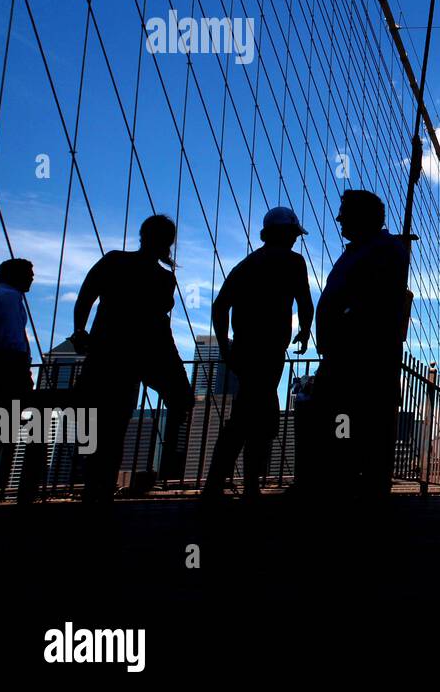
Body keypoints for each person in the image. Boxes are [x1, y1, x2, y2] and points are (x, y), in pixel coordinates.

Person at [71, 215, 193, 504]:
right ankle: (114, 485)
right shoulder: (164, 278)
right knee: (119, 421)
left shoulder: (114, 261)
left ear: (141, 234)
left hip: (105, 354)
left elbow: (85, 297)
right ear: (170, 242)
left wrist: (79, 331)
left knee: (99, 422)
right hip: (137, 357)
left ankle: (94, 488)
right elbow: (159, 323)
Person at [202, 208, 314, 501]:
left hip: (244, 350)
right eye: (292, 234)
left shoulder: (247, 264)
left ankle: (225, 485)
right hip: (269, 351)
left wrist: (226, 346)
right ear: (285, 234)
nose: (294, 240)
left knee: (250, 414)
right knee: (256, 419)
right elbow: (304, 300)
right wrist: (304, 329)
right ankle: (240, 486)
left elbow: (219, 306)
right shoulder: (293, 262)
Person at [311, 190, 410, 499]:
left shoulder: (384, 249)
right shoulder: (364, 249)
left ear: (362, 216)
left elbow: (375, 301)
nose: (339, 218)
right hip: (346, 353)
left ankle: (353, 491)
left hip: (359, 357)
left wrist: (343, 329)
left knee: (354, 421)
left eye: (345, 212)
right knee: (346, 422)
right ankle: (349, 487)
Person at [0, 259, 35, 502]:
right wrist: (23, 371)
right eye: (29, 273)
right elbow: (11, 341)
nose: (33, 277)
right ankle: (17, 493)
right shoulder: (9, 299)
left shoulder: (4, 296)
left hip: (5, 370)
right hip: (9, 373)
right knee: (5, 431)